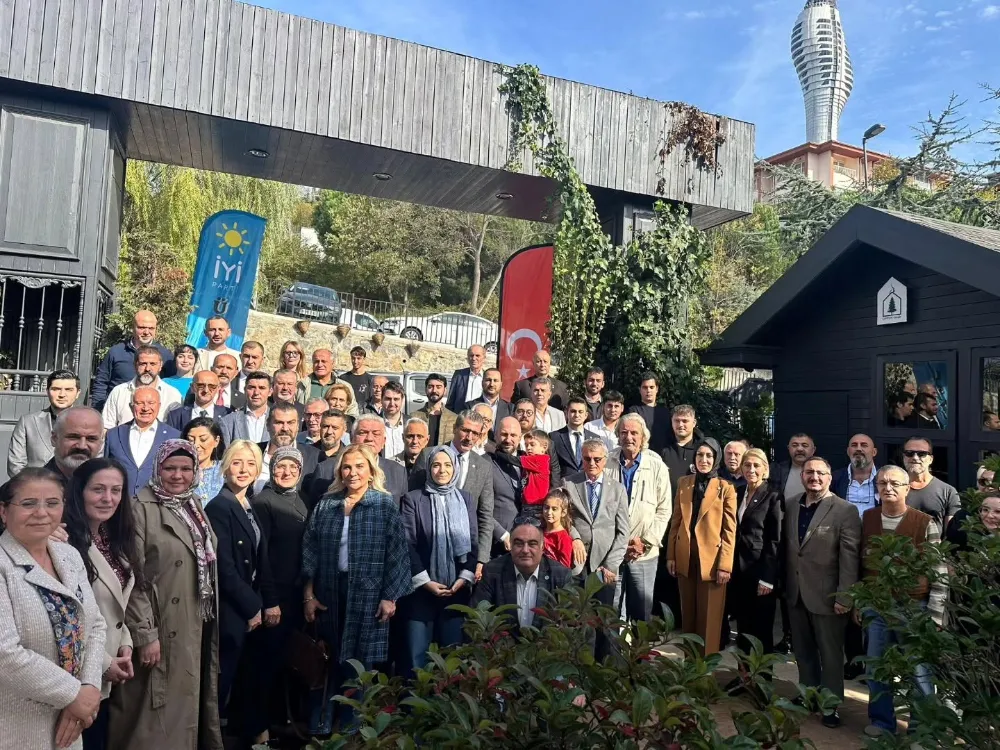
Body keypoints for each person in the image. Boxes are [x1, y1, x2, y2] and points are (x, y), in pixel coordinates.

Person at [108, 440, 223, 750]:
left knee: (183, 708)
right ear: (157, 469)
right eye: (170, 468)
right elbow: (131, 575)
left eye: (186, 468)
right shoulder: (140, 509)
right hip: (160, 628)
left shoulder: (193, 505)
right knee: (152, 715)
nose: (178, 475)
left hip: (192, 623)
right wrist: (146, 634)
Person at [301, 444, 410, 734]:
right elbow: (310, 549)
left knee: (359, 664)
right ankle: (321, 727)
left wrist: (389, 597)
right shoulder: (326, 504)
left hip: (368, 595)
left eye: (360, 466)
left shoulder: (383, 505)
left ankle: (353, 731)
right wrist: (308, 595)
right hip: (329, 592)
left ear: (371, 471)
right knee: (326, 659)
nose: (353, 473)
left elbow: (398, 553)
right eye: (347, 467)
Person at [0, 468, 106, 750]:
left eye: (52, 503)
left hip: (71, 722)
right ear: (3, 511)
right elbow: (5, 653)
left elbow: (95, 625)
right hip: (15, 725)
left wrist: (90, 687)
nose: (41, 513)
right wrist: (74, 695)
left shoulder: (68, 555)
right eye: (28, 503)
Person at [859, 465, 946, 738]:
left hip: (914, 607)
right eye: (883, 483)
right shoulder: (868, 519)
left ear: (907, 489)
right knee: (876, 666)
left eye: (895, 483)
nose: (888, 488)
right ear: (876, 488)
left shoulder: (925, 522)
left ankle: (922, 727)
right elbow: (862, 565)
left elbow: (939, 570)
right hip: (876, 606)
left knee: (919, 669)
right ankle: (882, 722)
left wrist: (935, 614)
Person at [63, 458, 140, 750]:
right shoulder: (63, 541)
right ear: (79, 491)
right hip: (79, 672)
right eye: (98, 489)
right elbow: (70, 616)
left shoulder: (112, 537)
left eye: (116, 490)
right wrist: (105, 663)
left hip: (110, 667)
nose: (108, 498)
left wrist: (125, 643)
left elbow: (118, 603)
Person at [781, 456, 861, 729]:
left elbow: (849, 558)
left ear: (829, 478)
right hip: (796, 593)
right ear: (802, 476)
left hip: (828, 596)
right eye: (809, 472)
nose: (814, 477)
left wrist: (845, 596)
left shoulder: (845, 510)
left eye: (820, 473)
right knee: (803, 651)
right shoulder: (791, 504)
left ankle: (830, 705)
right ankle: (808, 695)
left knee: (830, 654)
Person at [204, 441, 277, 730]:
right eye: (237, 462)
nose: (244, 469)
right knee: (221, 682)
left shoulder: (247, 504)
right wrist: (252, 606)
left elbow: (261, 557)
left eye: (250, 464)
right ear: (225, 467)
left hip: (247, 603)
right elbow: (224, 566)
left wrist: (269, 600)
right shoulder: (219, 507)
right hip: (230, 607)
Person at [246, 446, 310, 746]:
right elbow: (262, 556)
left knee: (289, 662)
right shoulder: (264, 501)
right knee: (265, 663)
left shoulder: (302, 499)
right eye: (281, 467)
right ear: (272, 471)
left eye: (292, 468)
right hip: (274, 597)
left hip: (297, 596)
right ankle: (259, 729)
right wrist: (269, 600)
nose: (286, 473)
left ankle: (283, 722)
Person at [400, 445, 477, 675]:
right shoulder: (413, 499)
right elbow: (407, 543)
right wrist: (425, 581)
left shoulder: (466, 498)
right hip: (421, 591)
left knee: (452, 659)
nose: (442, 470)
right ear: (429, 468)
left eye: (447, 465)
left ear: (455, 468)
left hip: (456, 589)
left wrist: (465, 576)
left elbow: (473, 540)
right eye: (436, 465)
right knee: (417, 660)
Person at [666, 438, 737, 655]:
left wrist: (725, 565)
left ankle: (705, 666)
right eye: (699, 455)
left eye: (708, 456)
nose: (703, 460)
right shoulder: (684, 483)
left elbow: (729, 530)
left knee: (709, 617)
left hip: (712, 561)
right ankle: (689, 663)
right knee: (688, 613)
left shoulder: (726, 488)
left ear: (716, 459)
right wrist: (671, 555)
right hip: (685, 556)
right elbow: (676, 521)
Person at [564, 439, 629, 658]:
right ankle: (578, 665)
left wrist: (611, 565)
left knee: (605, 620)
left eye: (597, 459)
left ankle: (604, 667)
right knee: (577, 618)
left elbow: (623, 532)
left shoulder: (617, 489)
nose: (592, 463)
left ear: (605, 460)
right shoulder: (569, 484)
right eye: (587, 459)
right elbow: (564, 518)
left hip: (605, 566)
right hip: (578, 563)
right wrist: (574, 538)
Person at [608, 414, 672, 622]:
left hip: (644, 552)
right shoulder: (606, 462)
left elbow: (664, 510)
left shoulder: (656, 465)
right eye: (624, 432)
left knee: (641, 613)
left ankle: (638, 647)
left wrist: (644, 542)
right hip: (612, 550)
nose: (629, 437)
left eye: (634, 433)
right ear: (618, 435)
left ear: (643, 437)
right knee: (610, 612)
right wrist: (617, 542)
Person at [831, 433, 881, 679]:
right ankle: (853, 660)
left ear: (874, 452)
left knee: (874, 608)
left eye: (864, 445)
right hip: (845, 551)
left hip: (877, 553)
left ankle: (875, 663)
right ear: (848, 451)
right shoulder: (836, 479)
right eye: (854, 445)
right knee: (848, 605)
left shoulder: (885, 479)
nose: (859, 449)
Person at [471, 516, 573, 635]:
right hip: (501, 645)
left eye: (532, 544)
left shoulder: (560, 575)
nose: (525, 550)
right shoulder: (492, 571)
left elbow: (571, 624)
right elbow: (476, 618)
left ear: (542, 547)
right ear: (510, 545)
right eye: (519, 544)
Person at [726, 448, 782, 657]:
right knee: (743, 627)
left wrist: (768, 578)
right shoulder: (738, 492)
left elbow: (775, 540)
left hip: (760, 573)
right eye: (747, 465)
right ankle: (743, 672)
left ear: (765, 469)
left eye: (756, 466)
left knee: (760, 630)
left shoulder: (774, 496)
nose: (751, 470)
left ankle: (761, 675)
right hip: (738, 571)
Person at [104, 388, 181, 498]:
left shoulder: (174, 437)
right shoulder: (114, 434)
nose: (145, 408)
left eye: (151, 403)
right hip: (119, 501)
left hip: (156, 503)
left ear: (159, 406)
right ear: (131, 406)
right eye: (139, 403)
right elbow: (105, 470)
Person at [91, 310, 173, 412]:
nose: (146, 332)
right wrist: (97, 411)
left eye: (151, 328)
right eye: (142, 327)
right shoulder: (116, 352)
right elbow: (101, 382)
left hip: (149, 412)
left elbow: (171, 382)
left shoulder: (165, 354)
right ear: (133, 327)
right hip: (119, 411)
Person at [8, 369, 81, 477]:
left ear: (78, 393)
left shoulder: (89, 424)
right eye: (56, 389)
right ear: (47, 391)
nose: (62, 394)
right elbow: (15, 465)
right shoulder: (27, 422)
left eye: (68, 390)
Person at [101, 346, 182, 429]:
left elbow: (176, 430)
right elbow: (107, 426)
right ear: (135, 365)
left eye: (153, 364)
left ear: (160, 366)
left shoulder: (172, 395)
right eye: (143, 364)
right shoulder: (119, 392)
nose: (147, 369)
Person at [254, 403, 321, 495]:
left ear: (298, 426)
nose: (285, 428)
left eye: (290, 423)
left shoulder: (315, 457)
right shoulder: (252, 453)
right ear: (268, 425)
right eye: (279, 422)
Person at [902, 437, 961, 529]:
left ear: (931, 459)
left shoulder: (948, 491)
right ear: (903, 457)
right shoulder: (893, 488)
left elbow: (950, 532)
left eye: (922, 454)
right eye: (909, 453)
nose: (915, 457)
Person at [488, 417, 525, 558]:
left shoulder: (529, 462)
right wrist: (502, 534)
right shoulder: (485, 463)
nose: (508, 439)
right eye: (504, 434)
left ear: (520, 437)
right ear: (496, 436)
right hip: (497, 546)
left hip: (527, 544)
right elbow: (479, 508)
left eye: (513, 435)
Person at [43, 407, 106, 488]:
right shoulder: (35, 487)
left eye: (91, 439)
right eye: (73, 437)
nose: (82, 446)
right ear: (54, 439)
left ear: (101, 443)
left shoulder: (110, 486)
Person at [514, 400, 561, 488]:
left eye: (529, 412)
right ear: (513, 414)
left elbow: (554, 469)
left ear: (535, 416)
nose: (524, 415)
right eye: (520, 411)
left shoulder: (544, 439)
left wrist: (553, 492)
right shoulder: (508, 438)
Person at [219, 371, 272, 446]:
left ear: (270, 392)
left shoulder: (279, 420)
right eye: (252, 387)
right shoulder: (228, 421)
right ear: (245, 390)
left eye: (262, 388)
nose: (256, 392)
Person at [181, 418, 225, 507]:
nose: (196, 445)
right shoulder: (178, 472)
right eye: (190, 440)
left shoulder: (226, 469)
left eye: (203, 439)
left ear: (216, 441)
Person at [551, 397, 599, 478]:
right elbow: (553, 467)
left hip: (587, 482)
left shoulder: (595, 438)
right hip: (564, 483)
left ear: (586, 415)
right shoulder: (554, 437)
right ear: (566, 413)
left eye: (580, 412)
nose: (577, 415)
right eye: (573, 411)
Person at [166, 370, 232, 430]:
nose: (206, 390)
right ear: (192, 387)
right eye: (201, 385)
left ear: (218, 388)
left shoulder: (227, 414)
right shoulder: (176, 416)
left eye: (212, 386)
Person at [660, 404, 701, 494]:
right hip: (667, 502)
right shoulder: (661, 449)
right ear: (671, 422)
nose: (680, 425)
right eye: (677, 421)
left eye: (685, 421)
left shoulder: (702, 450)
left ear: (694, 423)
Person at [629, 372, 672, 454]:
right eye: (645, 387)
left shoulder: (665, 412)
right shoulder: (634, 411)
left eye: (651, 387)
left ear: (657, 389)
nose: (648, 390)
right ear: (640, 389)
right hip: (642, 454)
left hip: (663, 455)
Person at [769, 433, 816, 501]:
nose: (799, 449)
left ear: (813, 450)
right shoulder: (776, 470)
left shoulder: (823, 472)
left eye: (805, 445)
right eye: (794, 445)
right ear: (789, 448)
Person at [414, 373, 457, 446]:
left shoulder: (454, 418)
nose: (434, 390)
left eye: (438, 387)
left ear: (445, 390)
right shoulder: (415, 416)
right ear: (425, 389)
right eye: (430, 387)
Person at [446, 345, 488, 413]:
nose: (474, 358)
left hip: (480, 416)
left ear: (484, 358)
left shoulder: (487, 377)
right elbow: (451, 401)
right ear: (468, 358)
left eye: (477, 355)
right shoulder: (459, 375)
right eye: (471, 355)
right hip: (461, 415)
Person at [520, 429, 552, 511]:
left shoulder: (540, 460)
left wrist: (497, 453)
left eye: (532, 445)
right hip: (527, 504)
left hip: (536, 504)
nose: (528, 448)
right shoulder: (530, 459)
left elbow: (515, 460)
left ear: (544, 447)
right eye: (526, 445)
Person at [540, 488, 573, 568]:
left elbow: (564, 569)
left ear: (563, 512)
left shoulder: (563, 538)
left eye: (554, 509)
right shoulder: (539, 531)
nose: (549, 512)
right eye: (546, 508)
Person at [381, 381, 406, 458]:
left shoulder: (410, 423)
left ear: (402, 400)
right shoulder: (374, 423)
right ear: (381, 400)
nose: (392, 403)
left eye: (396, 399)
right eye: (388, 399)